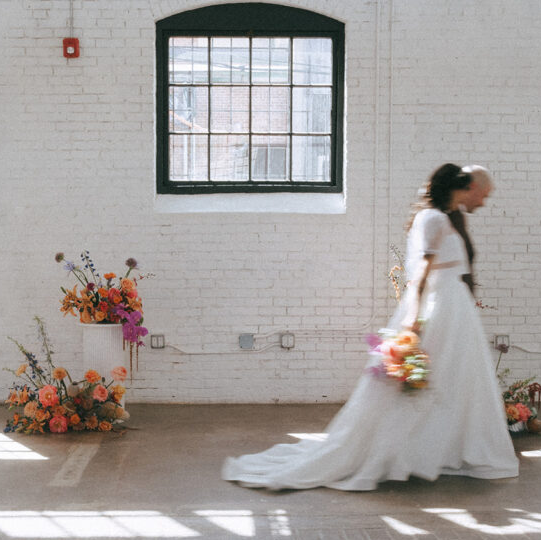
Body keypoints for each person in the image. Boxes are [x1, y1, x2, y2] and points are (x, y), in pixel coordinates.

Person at [222, 163, 518, 490]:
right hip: (439, 312)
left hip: (454, 312)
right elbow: (420, 275)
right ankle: (397, 452)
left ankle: (434, 451)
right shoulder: (434, 219)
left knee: (449, 385)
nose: (484, 202)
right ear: (469, 187)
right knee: (418, 387)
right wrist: (413, 322)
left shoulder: (448, 218)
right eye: (484, 195)